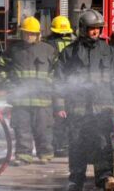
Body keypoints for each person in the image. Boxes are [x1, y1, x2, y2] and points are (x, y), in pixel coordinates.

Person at [54, 9, 114, 191]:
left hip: (103, 108)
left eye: (98, 28)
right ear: (82, 28)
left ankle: (105, 178)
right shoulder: (69, 53)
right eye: (92, 28)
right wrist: (59, 104)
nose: (96, 32)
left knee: (104, 143)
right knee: (77, 144)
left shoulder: (107, 51)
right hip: (78, 109)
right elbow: (59, 81)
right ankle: (76, 179)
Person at [0, 16, 56, 166]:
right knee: (22, 129)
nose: (28, 36)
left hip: (43, 99)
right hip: (20, 100)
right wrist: (9, 84)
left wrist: (48, 83)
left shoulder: (48, 50)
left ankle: (45, 155)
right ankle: (24, 156)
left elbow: (56, 70)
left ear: (38, 34)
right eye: (26, 33)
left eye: (32, 33)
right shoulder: (14, 50)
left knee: (43, 129)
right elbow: (1, 67)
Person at [45, 15, 76, 158]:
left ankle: (59, 146)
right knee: (71, 115)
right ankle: (70, 144)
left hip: (55, 84)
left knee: (57, 116)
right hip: (74, 85)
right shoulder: (75, 43)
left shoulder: (49, 44)